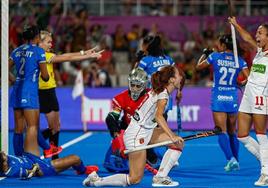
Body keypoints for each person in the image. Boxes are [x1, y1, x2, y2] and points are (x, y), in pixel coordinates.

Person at [83, 65, 184, 187]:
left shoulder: (160, 90)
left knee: (177, 144)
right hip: (136, 134)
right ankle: (96, 181)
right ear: (172, 79)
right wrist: (172, 136)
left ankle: (160, 177)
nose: (181, 78)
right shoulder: (163, 94)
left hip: (146, 130)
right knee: (134, 179)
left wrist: (172, 138)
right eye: (179, 75)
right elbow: (159, 117)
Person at [38, 30, 103, 159]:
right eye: (48, 42)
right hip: (44, 92)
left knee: (55, 126)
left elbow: (65, 55)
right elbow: (67, 58)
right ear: (39, 42)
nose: (51, 44)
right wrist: (86, 56)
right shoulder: (42, 56)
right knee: (54, 127)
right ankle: (41, 146)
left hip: (47, 91)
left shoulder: (42, 55)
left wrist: (84, 53)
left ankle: (49, 152)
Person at [196, 34, 249, 172]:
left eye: (219, 43)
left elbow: (198, 67)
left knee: (221, 131)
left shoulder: (215, 56)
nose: (217, 45)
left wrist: (205, 54)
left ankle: (230, 159)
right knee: (232, 132)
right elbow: (248, 78)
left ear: (224, 45)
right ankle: (236, 160)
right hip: (232, 96)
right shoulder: (240, 60)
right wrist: (240, 83)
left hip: (219, 96)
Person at [229, 17, 268, 186]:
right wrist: (235, 24)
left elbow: (248, 39)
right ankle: (267, 161)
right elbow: (247, 39)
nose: (256, 35)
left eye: (260, 33)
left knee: (260, 135)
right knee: (242, 135)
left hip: (261, 96)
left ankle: (265, 172)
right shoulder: (260, 52)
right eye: (257, 32)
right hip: (248, 94)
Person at [103, 67, 160, 173]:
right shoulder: (120, 98)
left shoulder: (152, 96)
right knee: (111, 165)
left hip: (146, 130)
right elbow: (111, 117)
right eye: (132, 85)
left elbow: (160, 116)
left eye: (138, 86)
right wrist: (117, 136)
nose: (134, 88)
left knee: (154, 161)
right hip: (127, 131)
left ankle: (150, 152)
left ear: (145, 85)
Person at [9, 25, 49, 157]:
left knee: (18, 129)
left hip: (16, 91)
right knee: (32, 127)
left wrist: (13, 79)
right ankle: (30, 158)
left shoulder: (16, 51)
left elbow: (3, 68)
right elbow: (45, 76)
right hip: (29, 91)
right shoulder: (39, 51)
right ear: (37, 37)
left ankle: (18, 159)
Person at [0, 151, 99, 179]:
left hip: (30, 157)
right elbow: (33, 173)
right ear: (3, 163)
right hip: (44, 167)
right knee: (75, 158)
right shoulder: (13, 171)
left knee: (33, 128)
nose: (4, 152)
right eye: (3, 155)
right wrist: (36, 169)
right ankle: (82, 170)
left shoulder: (6, 159)